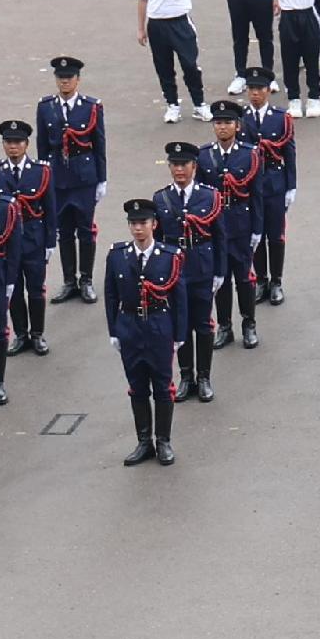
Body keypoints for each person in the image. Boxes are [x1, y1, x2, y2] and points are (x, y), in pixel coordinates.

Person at [105, 197, 181, 467]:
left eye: (143, 223)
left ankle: (163, 441)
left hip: (159, 326)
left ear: (154, 225)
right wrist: (114, 330)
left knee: (162, 385)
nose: (138, 229)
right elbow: (111, 295)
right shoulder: (117, 255)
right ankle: (143, 441)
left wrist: (179, 334)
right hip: (130, 326)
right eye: (133, 224)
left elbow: (179, 297)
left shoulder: (169, 257)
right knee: (137, 387)